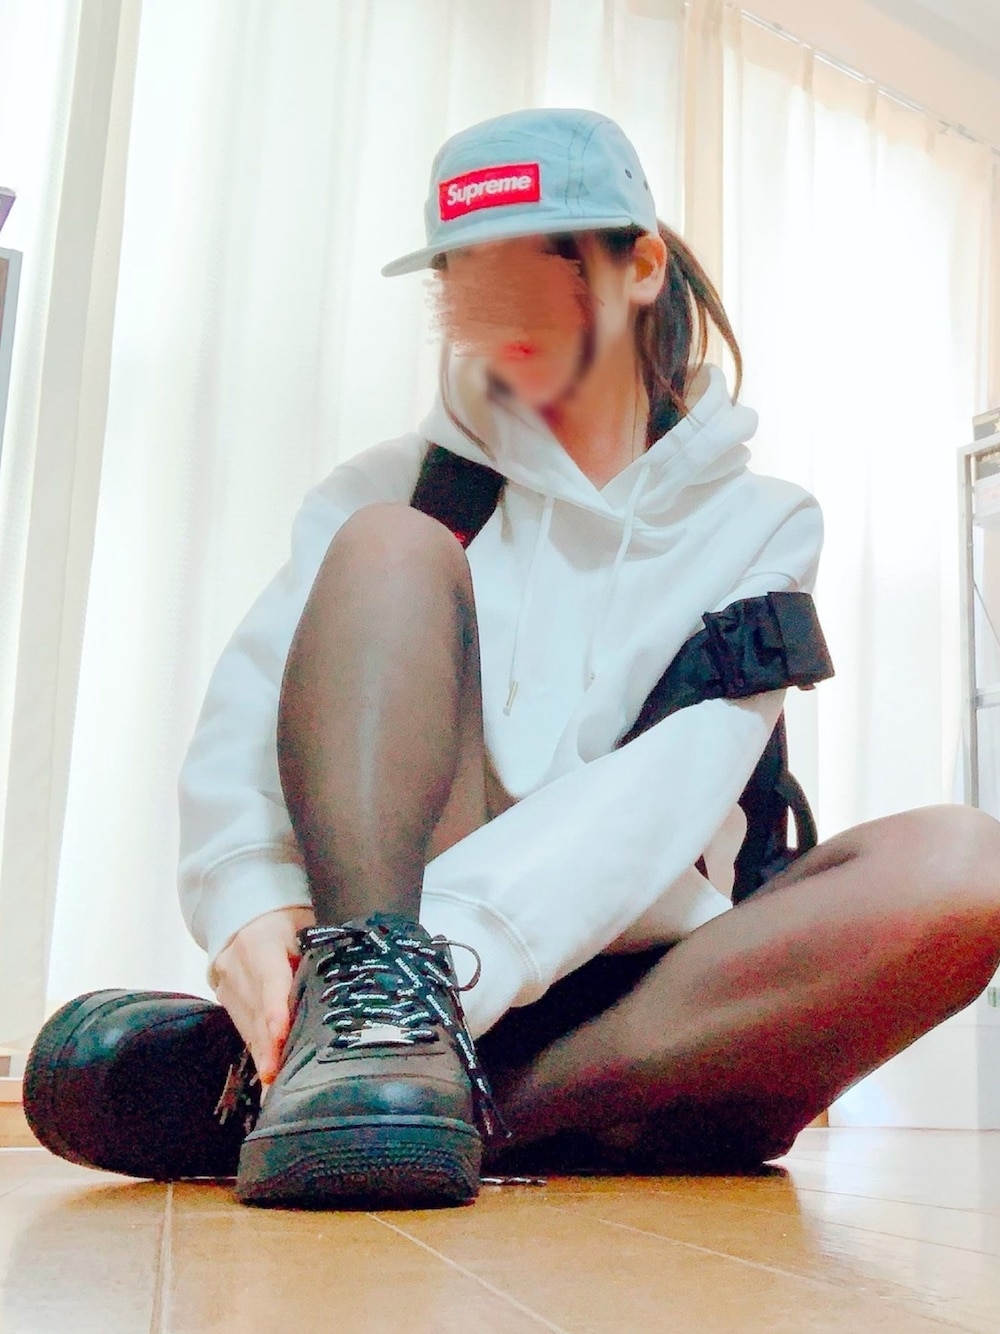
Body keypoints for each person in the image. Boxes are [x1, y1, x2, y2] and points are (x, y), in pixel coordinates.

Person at [24, 107, 1000, 1210]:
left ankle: (362, 1099)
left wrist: (441, 979)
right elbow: (248, 717)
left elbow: (667, 791)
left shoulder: (763, 523)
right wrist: (250, 903)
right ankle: (395, 1074)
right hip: (393, 957)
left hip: (647, 993)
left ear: (641, 267)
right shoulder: (393, 488)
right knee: (389, 546)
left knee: (963, 866)